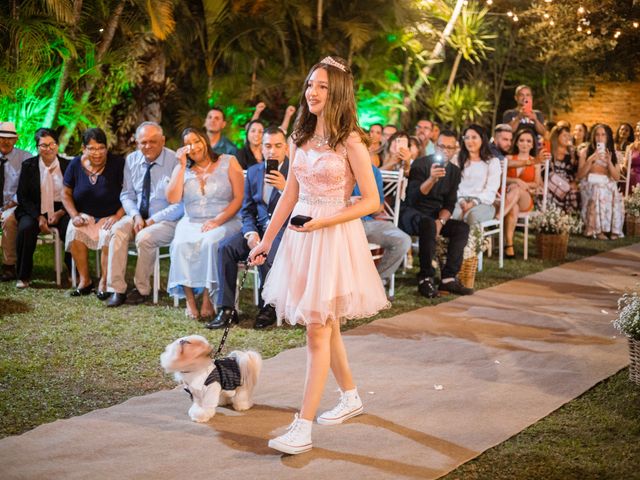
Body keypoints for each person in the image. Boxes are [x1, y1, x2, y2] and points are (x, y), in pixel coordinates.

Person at [248, 56, 388, 455]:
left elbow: (371, 201)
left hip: (332, 235)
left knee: (317, 330)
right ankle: (351, 397)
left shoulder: (351, 140)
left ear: (338, 92)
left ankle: (303, 426)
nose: (313, 91)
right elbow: (289, 195)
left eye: (323, 86)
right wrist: (266, 241)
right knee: (326, 325)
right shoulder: (298, 136)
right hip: (300, 234)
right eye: (310, 83)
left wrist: (323, 223)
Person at [211, 126, 289, 330]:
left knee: (266, 249)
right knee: (225, 248)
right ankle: (227, 309)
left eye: (278, 146)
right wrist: (250, 232)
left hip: (284, 232)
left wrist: (285, 188)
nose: (272, 151)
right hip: (257, 230)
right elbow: (247, 210)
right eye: (268, 146)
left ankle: (268, 307)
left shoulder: (295, 173)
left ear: (286, 148)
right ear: (261, 148)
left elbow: (303, 207)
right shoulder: (254, 172)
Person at [166, 128, 243, 320]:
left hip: (225, 219)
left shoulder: (228, 161)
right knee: (179, 244)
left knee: (210, 243)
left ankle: (209, 299)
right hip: (191, 221)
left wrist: (218, 220)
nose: (194, 147)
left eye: (197, 141)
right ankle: (190, 301)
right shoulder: (182, 169)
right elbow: (173, 198)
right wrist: (182, 166)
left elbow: (239, 198)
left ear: (205, 141)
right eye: (188, 144)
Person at [104, 122, 183, 307]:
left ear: (162, 140)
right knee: (118, 230)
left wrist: (153, 220)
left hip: (166, 219)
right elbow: (127, 194)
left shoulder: (175, 161)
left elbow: (180, 204)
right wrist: (135, 216)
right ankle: (117, 289)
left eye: (153, 142)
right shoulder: (131, 160)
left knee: (144, 238)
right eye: (143, 142)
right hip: (138, 216)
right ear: (137, 143)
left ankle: (141, 289)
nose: (147, 146)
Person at [400, 130, 473, 298]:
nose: (445, 151)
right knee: (427, 224)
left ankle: (448, 278)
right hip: (412, 213)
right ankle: (425, 278)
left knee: (461, 228)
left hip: (434, 215)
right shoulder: (420, 164)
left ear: (456, 149)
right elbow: (413, 197)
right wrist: (431, 179)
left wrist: (441, 220)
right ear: (435, 146)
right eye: (441, 146)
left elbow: (449, 203)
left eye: (449, 147)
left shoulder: (454, 171)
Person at [62, 128, 125, 296]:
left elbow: (130, 194)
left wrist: (118, 215)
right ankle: (85, 280)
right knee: (74, 230)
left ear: (107, 148)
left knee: (108, 235)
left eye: (101, 148)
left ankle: (104, 280)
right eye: (92, 148)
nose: (97, 153)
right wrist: (74, 215)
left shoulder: (118, 164)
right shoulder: (75, 164)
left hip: (111, 215)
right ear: (84, 148)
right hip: (85, 215)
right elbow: (65, 193)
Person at [14, 128, 71, 288]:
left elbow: (74, 194)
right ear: (37, 147)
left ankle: (74, 272)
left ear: (57, 145)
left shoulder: (68, 166)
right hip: (34, 209)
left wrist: (61, 213)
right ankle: (23, 275)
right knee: (25, 228)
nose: (48, 148)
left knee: (71, 228)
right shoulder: (28, 165)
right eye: (43, 145)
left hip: (61, 209)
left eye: (52, 144)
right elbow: (22, 196)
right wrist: (38, 216)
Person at [355, 162, 411, 287]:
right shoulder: (338, 166)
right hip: (345, 222)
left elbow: (379, 207)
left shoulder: (373, 170)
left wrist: (364, 205)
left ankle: (376, 283)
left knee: (403, 240)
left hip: (368, 221)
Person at [577, 123, 624, 240]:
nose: (600, 137)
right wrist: (590, 160)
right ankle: (598, 230)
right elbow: (580, 175)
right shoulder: (586, 152)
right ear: (593, 137)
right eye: (597, 135)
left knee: (609, 188)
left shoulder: (614, 154)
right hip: (590, 184)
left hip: (607, 184)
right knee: (598, 188)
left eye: (603, 135)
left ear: (607, 137)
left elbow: (617, 177)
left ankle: (613, 229)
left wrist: (609, 163)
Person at [502, 128, 543, 258]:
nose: (525, 144)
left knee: (517, 189)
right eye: (522, 140)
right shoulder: (509, 158)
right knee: (513, 207)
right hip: (510, 198)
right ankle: (509, 245)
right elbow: (500, 178)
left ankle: (500, 214)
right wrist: (516, 180)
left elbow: (536, 183)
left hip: (525, 198)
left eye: (528, 141)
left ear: (532, 144)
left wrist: (520, 185)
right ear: (517, 143)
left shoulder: (535, 162)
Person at [0, 121, 31, 281]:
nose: (5, 141)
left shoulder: (26, 158)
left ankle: (9, 266)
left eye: (9, 138)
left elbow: (28, 188)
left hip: (15, 204)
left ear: (16, 139)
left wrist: (10, 204)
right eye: (2, 137)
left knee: (9, 219)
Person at [452, 125, 501, 225]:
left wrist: (473, 203)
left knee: (471, 216)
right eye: (467, 137)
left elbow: (491, 189)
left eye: (474, 137)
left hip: (483, 203)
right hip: (460, 201)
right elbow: (453, 186)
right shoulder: (458, 160)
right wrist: (461, 201)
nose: (470, 141)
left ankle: (473, 240)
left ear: (482, 139)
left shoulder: (492, 162)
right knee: (454, 215)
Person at [548, 125, 580, 213]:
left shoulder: (573, 152)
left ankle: (567, 222)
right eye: (564, 135)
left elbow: (576, 171)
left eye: (568, 135)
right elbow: (544, 171)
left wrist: (575, 182)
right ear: (557, 137)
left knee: (573, 193)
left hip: (568, 183)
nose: (567, 138)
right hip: (551, 182)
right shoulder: (550, 151)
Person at [623, 122, 640, 192]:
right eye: (638, 131)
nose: (638, 133)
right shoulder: (629, 147)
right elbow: (625, 166)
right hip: (630, 178)